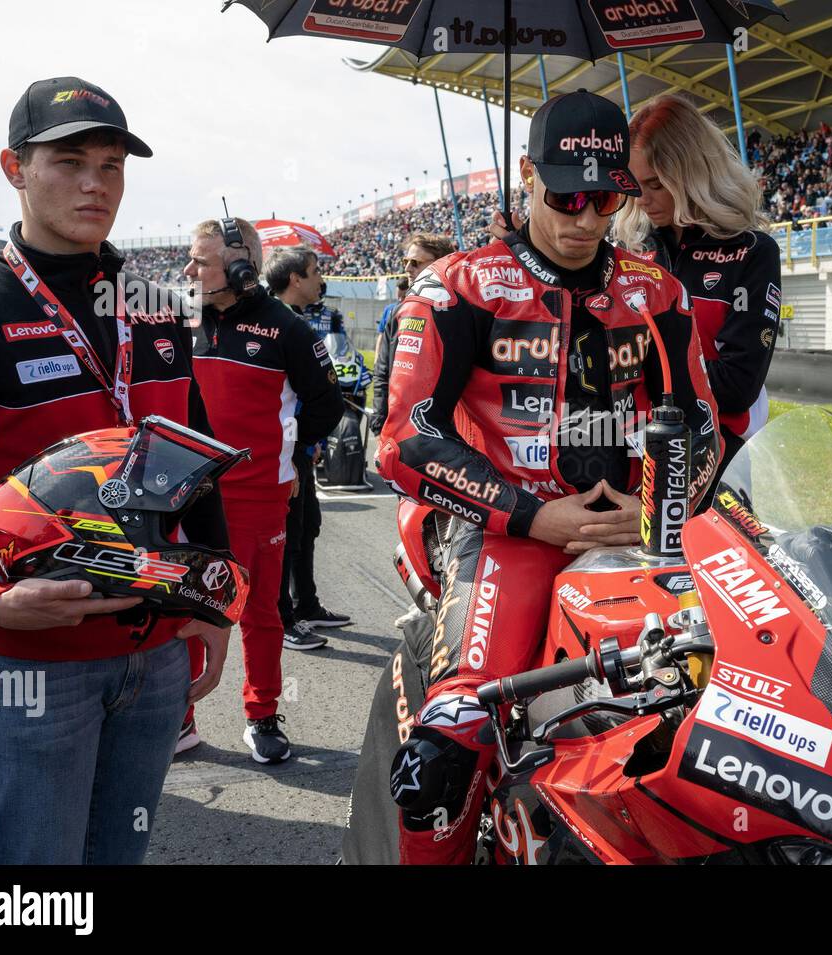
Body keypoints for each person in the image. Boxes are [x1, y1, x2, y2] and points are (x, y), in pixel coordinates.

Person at [378, 89, 722, 864]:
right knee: (452, 741)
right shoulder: (457, 286)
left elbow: (701, 422)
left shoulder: (657, 290)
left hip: (646, 528)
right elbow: (400, 439)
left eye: (602, 199)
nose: (581, 217)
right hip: (509, 530)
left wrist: (657, 503)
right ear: (527, 176)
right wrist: (534, 518)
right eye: (563, 194)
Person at [0, 77, 231, 863]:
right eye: (69, 161)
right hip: (26, 667)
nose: (96, 183)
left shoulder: (157, 305)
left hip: (153, 652)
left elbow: (195, 458)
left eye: (112, 164)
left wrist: (214, 597)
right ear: (14, 167)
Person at [183, 218, 343, 762]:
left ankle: (263, 713)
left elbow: (327, 404)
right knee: (177, 606)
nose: (188, 271)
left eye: (200, 262)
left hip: (258, 498)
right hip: (183, 496)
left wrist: (295, 456)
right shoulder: (179, 319)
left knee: (261, 614)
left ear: (240, 266)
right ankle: (178, 719)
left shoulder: (290, 329)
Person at [614, 94, 782, 480]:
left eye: (655, 184)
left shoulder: (751, 252)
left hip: (719, 461)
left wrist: (638, 375)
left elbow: (738, 387)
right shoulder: (627, 252)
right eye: (635, 186)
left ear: (691, 173)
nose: (641, 200)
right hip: (631, 459)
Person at [264, 247, 352, 650]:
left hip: (300, 445)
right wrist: (298, 441)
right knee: (285, 534)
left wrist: (310, 440)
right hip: (280, 450)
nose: (321, 280)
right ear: (295, 278)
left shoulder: (298, 320)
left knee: (307, 526)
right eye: (315, 272)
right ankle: (281, 618)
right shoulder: (270, 322)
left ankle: (306, 605)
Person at [369, 234, 453, 444]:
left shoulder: (460, 313)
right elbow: (382, 374)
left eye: (415, 262)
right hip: (399, 432)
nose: (407, 268)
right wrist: (379, 424)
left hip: (445, 434)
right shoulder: (398, 313)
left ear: (441, 263)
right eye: (405, 262)